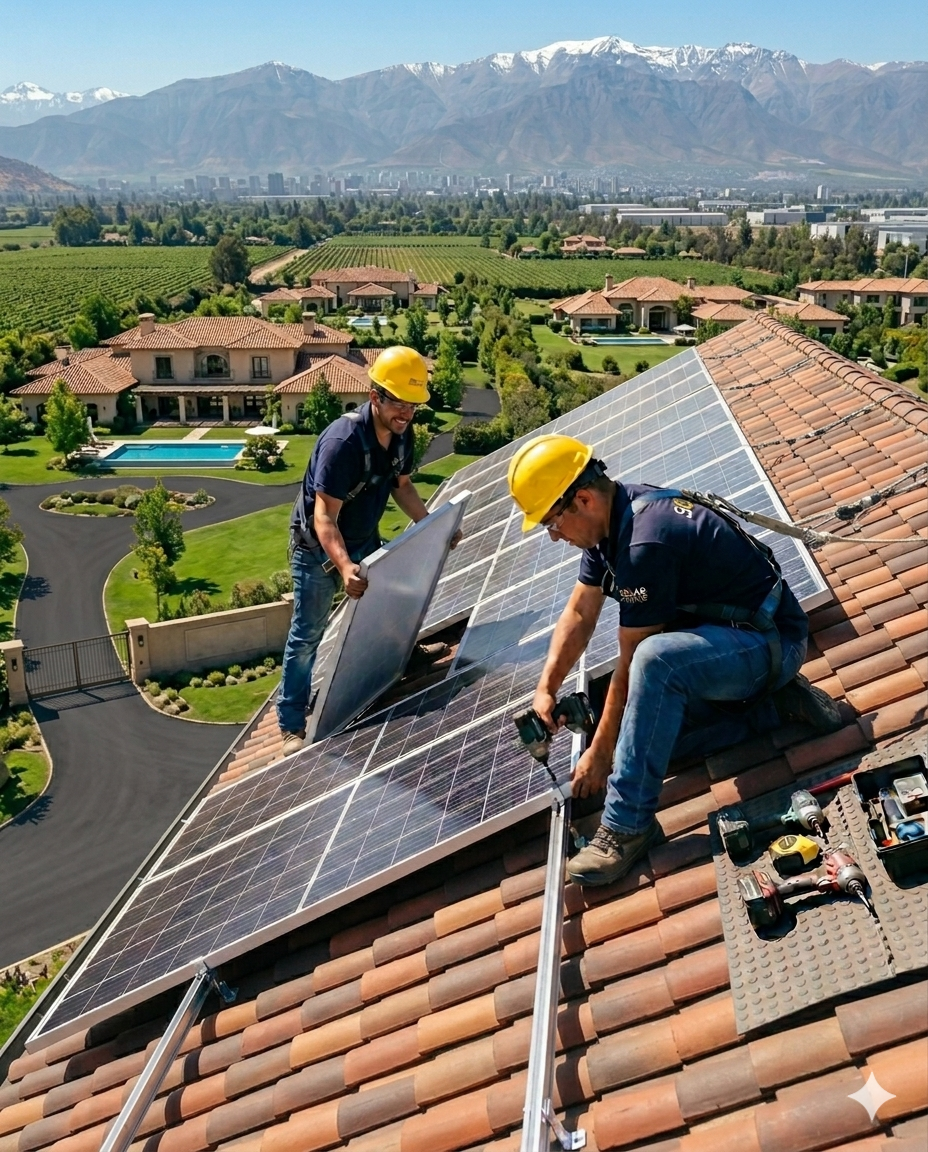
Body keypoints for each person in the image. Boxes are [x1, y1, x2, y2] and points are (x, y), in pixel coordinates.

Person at [507, 434, 843, 887]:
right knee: (648, 745)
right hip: (726, 645)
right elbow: (580, 611)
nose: (554, 535)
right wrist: (546, 687)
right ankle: (775, 707)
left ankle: (627, 828)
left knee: (654, 663)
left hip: (768, 646)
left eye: (551, 522)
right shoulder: (612, 520)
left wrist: (601, 753)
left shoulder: (645, 543)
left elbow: (633, 662)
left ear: (582, 499)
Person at [277, 345, 451, 756]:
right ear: (375, 396)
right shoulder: (343, 444)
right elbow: (324, 519)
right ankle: (290, 723)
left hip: (362, 537)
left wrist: (432, 526)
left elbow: (402, 486)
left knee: (389, 603)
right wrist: (344, 568)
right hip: (317, 548)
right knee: (307, 635)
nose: (406, 414)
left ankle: (401, 659)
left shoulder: (402, 435)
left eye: (413, 405)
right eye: (399, 404)